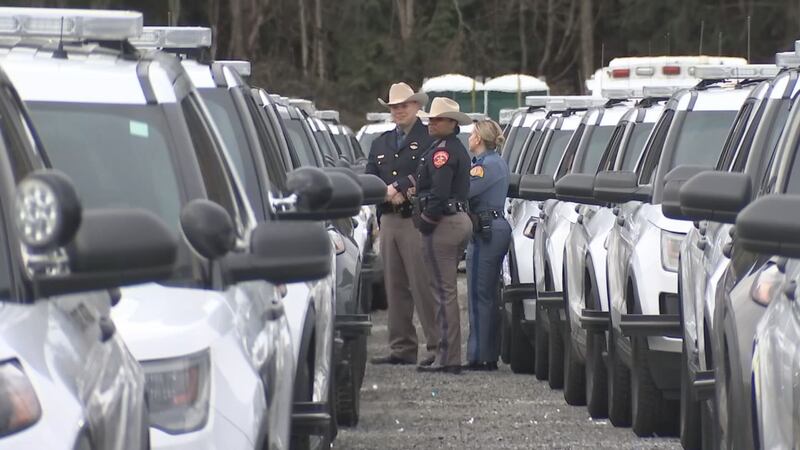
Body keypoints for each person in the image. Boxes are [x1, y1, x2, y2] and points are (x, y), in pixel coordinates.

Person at [367, 82, 440, 366]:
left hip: (415, 221)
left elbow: (433, 172)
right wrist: (384, 191)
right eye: (394, 107)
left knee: (423, 284)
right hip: (388, 219)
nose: (398, 111)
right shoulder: (381, 142)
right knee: (394, 286)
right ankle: (402, 347)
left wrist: (400, 185)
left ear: (417, 107)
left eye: (403, 106)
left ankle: (437, 346)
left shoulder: (429, 139)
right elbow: (370, 176)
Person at [412, 97, 473, 374]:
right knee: (441, 290)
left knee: (443, 291)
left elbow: (439, 192)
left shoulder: (444, 152)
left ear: (451, 123)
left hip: (444, 222)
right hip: (452, 219)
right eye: (430, 118)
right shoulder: (444, 147)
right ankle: (443, 352)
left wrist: (426, 220)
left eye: (437, 119)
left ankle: (447, 357)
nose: (431, 123)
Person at [463, 120, 511, 371]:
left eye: (472, 134)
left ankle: (481, 355)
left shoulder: (485, 166)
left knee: (480, 294)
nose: (469, 138)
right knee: (487, 294)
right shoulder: (493, 162)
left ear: (479, 139)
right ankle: (485, 352)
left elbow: (465, 191)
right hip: (490, 227)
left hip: (487, 231)